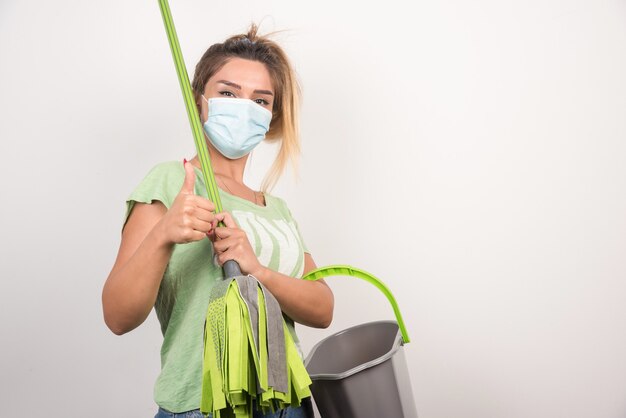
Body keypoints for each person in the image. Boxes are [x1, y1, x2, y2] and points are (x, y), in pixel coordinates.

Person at [102, 24, 334, 418]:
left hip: (288, 403)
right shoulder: (173, 182)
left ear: (272, 116)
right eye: (228, 93)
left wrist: (258, 270)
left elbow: (322, 308)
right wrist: (164, 234)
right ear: (199, 102)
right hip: (205, 405)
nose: (244, 107)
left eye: (261, 100)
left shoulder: (275, 208)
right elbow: (117, 316)